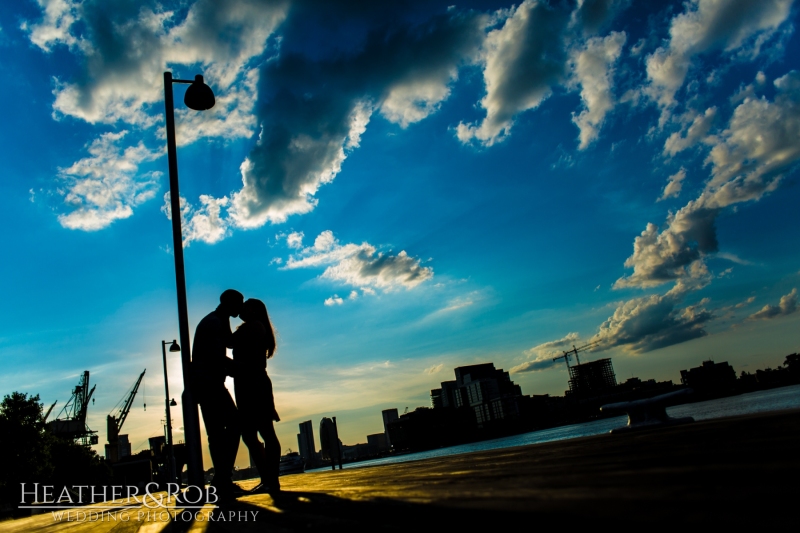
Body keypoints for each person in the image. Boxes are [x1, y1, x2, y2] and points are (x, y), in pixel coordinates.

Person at [191, 289, 244, 502]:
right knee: (234, 424)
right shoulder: (214, 323)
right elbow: (217, 358)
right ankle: (223, 478)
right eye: (239, 305)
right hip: (210, 383)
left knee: (216, 433)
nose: (240, 309)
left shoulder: (218, 320)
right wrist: (243, 370)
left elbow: (229, 342)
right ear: (230, 304)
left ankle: (222, 479)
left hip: (206, 384)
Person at [232, 298, 281, 494]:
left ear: (254, 310)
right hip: (248, 384)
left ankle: (271, 479)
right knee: (253, 433)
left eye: (246, 305)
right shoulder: (252, 327)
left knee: (264, 432)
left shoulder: (254, 327)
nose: (242, 307)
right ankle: (268, 478)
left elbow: (229, 341)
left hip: (254, 384)